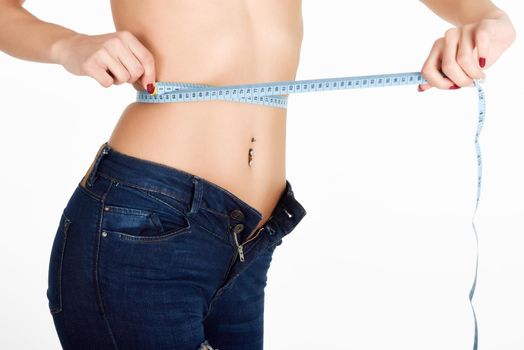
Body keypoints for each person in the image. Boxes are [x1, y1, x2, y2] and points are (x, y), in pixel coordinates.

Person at [0, 0, 516, 349]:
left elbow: (474, 12)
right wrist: (70, 46)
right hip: (144, 228)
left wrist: (490, 20)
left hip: (250, 240)